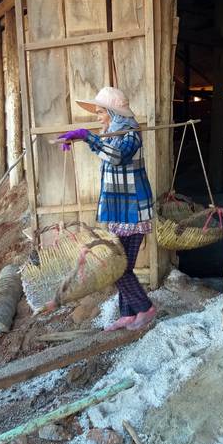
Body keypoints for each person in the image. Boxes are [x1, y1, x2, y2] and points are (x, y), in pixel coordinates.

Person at [58, 86, 157, 331]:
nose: (98, 116)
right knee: (122, 267)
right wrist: (85, 138)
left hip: (133, 210)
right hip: (119, 209)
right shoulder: (111, 133)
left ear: (114, 112)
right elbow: (107, 152)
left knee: (118, 268)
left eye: (101, 111)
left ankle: (145, 308)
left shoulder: (130, 133)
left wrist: (87, 136)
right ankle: (128, 314)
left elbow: (117, 156)